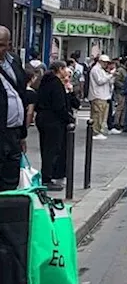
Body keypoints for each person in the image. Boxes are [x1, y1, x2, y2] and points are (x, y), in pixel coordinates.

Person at [35, 60, 77, 192]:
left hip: (43, 118)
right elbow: (59, 106)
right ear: (59, 69)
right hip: (53, 121)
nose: (66, 71)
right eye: (64, 68)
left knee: (46, 148)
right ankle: (47, 178)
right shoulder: (55, 83)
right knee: (52, 150)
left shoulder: (45, 82)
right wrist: (69, 118)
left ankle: (49, 175)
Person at [0, 27, 28, 192]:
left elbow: (21, 92)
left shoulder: (14, 61)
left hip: (14, 132)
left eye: (2, 45)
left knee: (11, 175)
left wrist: (22, 134)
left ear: (9, 45)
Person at [88, 55, 114, 140]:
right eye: (105, 62)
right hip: (98, 95)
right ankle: (96, 132)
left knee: (102, 115)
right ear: (100, 61)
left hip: (104, 95)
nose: (106, 64)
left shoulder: (101, 70)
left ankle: (99, 131)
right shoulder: (95, 70)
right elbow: (100, 81)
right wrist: (110, 76)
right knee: (97, 115)